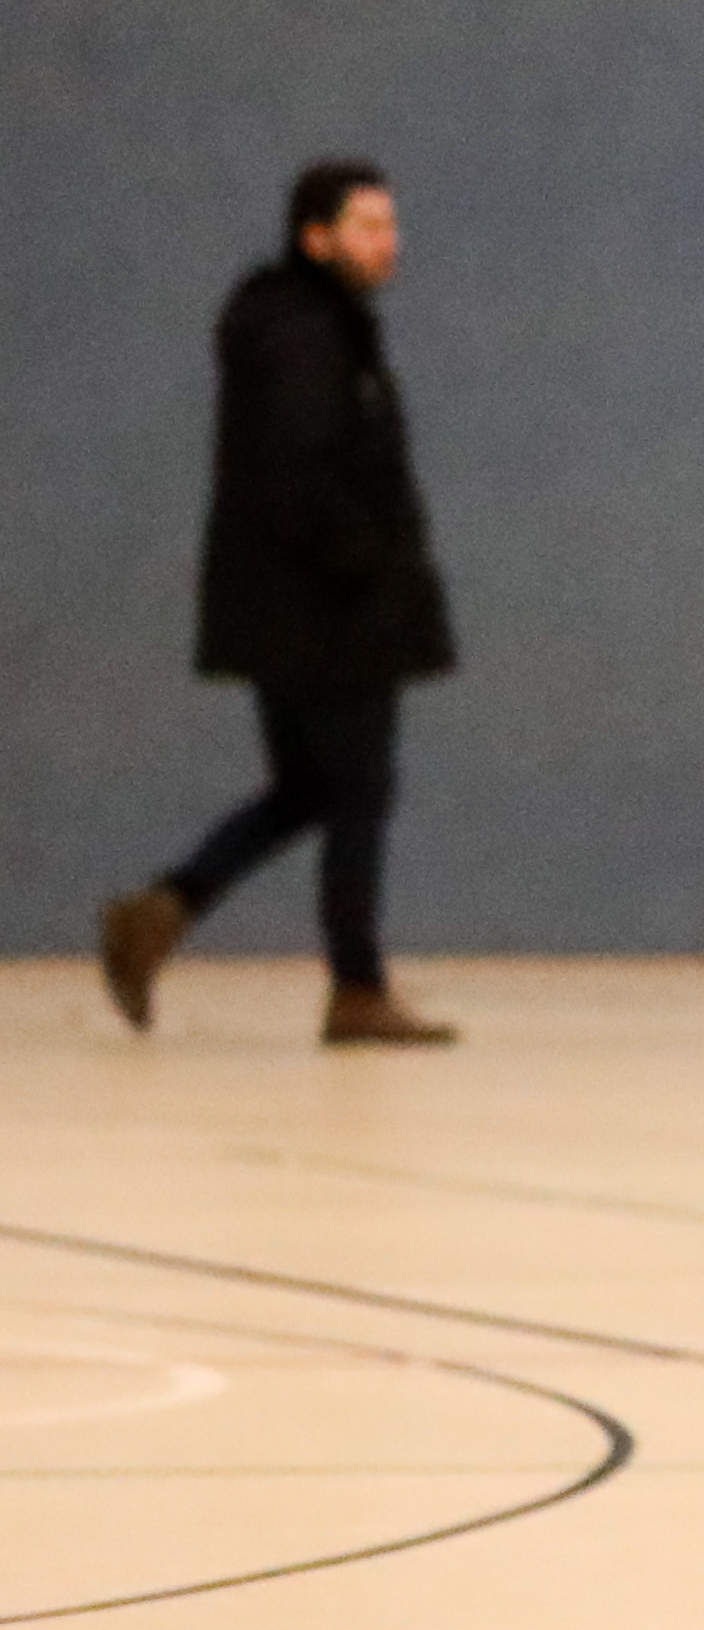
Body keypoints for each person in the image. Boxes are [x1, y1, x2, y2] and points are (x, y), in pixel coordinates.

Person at [98, 159, 465, 1048]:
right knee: (358, 794)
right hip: (330, 616)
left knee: (309, 788)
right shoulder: (307, 337)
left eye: (390, 223)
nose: (388, 241)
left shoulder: (308, 325)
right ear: (316, 237)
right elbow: (297, 475)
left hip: (292, 612)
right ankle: (357, 988)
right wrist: (367, 566)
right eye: (367, 226)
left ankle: (161, 910)